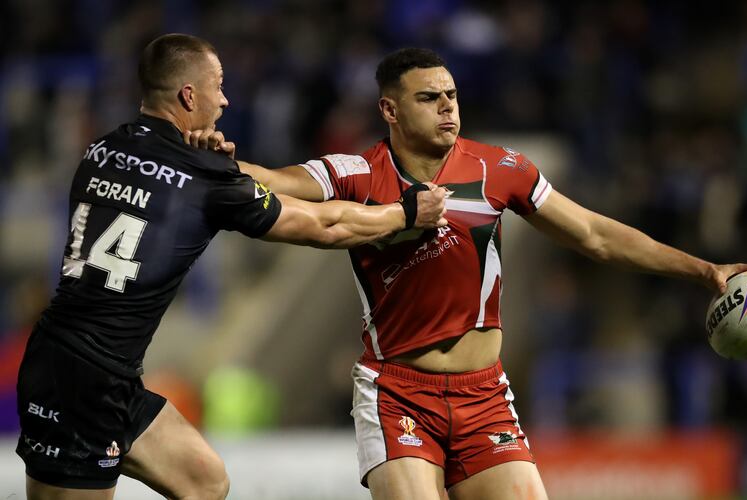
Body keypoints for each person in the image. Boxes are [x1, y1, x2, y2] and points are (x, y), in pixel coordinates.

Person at [192, 48, 747, 500]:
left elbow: (595, 234)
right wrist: (210, 157)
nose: (448, 107)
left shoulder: (500, 169)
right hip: (398, 394)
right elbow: (275, 179)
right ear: (390, 110)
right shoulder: (358, 172)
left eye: (452, 95)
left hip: (484, 395)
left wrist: (704, 270)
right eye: (429, 98)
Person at [15, 35, 448, 500]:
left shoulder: (102, 148)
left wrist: (219, 165)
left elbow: (166, 183)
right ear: (188, 96)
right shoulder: (204, 176)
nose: (224, 99)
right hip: (88, 382)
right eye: (217, 86)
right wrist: (405, 214)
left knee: (204, 480)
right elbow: (324, 225)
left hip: (79, 361)